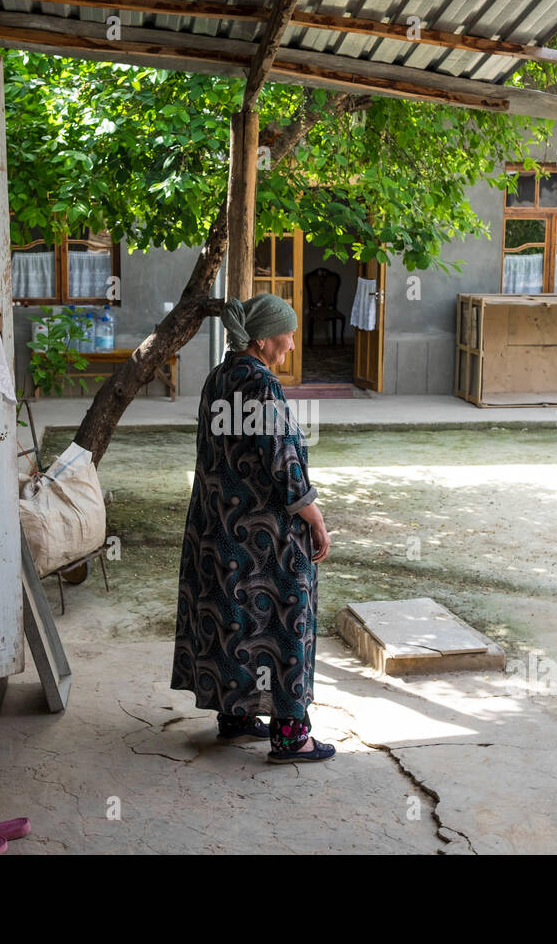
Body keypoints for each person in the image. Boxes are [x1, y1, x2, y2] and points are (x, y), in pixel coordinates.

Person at [170, 293, 335, 762]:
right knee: (285, 618)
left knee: (232, 613)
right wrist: (316, 518)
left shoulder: (219, 376)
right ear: (262, 338)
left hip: (218, 528)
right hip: (265, 536)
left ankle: (237, 714)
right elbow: (282, 464)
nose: (290, 343)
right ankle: (290, 737)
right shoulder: (261, 384)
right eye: (286, 333)